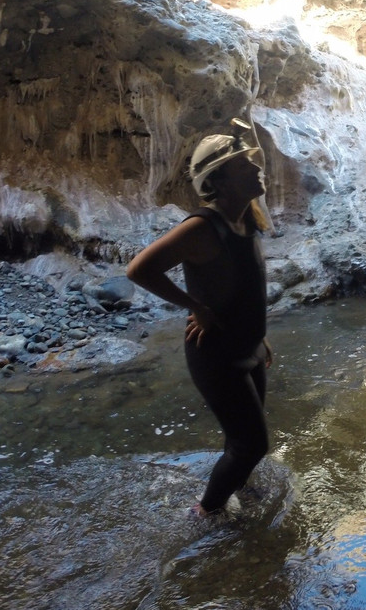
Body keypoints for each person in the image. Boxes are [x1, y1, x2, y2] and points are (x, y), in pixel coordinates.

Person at [127, 120, 274, 518]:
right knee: (252, 445)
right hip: (217, 354)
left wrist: (260, 336)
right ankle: (205, 512)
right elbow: (139, 270)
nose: (257, 169)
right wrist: (197, 307)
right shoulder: (201, 228)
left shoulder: (247, 219)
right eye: (245, 165)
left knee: (245, 441)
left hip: (248, 347)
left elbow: (246, 284)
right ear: (220, 179)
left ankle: (236, 491)